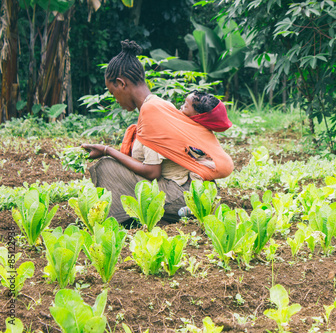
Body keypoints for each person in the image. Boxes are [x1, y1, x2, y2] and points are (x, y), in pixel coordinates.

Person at [82, 40, 234, 224]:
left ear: (121, 84)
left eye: (113, 93)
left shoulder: (151, 112)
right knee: (113, 165)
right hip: (188, 189)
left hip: (180, 195)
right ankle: (151, 218)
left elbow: (152, 172)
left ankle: (147, 219)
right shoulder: (159, 105)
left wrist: (107, 150)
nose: (115, 99)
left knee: (106, 167)